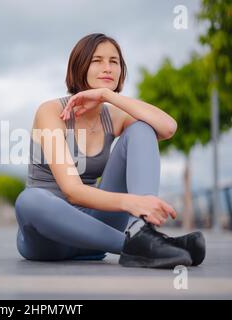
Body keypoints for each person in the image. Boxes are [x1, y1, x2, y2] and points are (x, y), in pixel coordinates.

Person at [14, 33, 205, 268]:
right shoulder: (51, 112)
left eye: (114, 62)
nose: (108, 68)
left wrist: (108, 96)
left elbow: (168, 128)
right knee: (29, 201)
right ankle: (142, 246)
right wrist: (130, 202)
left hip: (97, 230)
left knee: (142, 128)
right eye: (97, 60)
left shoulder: (113, 116)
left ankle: (142, 231)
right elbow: (72, 191)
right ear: (80, 66)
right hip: (49, 239)